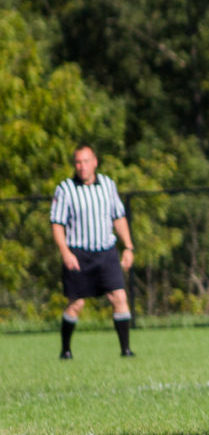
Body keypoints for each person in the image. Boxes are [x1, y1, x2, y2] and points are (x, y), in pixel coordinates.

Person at [49, 144, 137, 359]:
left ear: (95, 162)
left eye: (86, 161)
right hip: (79, 253)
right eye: (78, 162)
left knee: (119, 297)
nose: (82, 166)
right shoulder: (65, 188)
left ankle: (125, 350)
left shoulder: (108, 185)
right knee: (76, 303)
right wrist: (65, 252)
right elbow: (57, 223)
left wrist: (128, 246)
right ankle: (66, 350)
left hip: (106, 252)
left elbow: (118, 216)